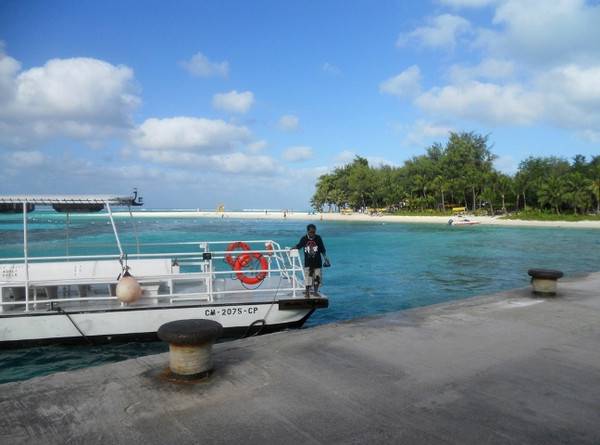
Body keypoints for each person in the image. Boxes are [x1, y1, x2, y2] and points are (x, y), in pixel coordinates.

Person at [294, 224, 329, 297]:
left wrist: (326, 258)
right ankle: (307, 293)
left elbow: (322, 249)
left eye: (314, 232)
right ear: (307, 231)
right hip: (308, 263)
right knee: (308, 278)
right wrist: (291, 248)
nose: (312, 234)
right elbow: (299, 246)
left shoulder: (318, 238)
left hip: (318, 262)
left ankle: (315, 292)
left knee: (317, 278)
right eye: (311, 232)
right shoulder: (304, 238)